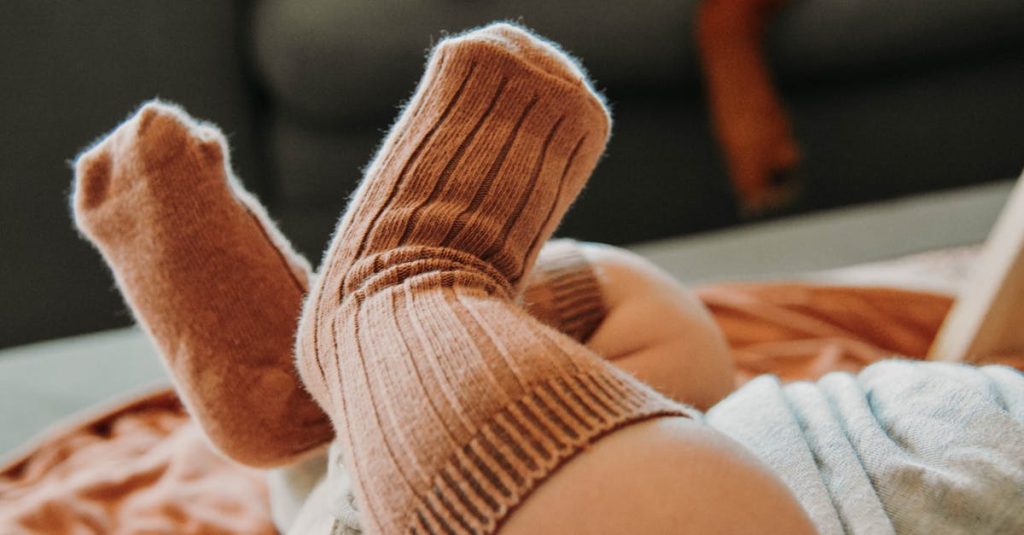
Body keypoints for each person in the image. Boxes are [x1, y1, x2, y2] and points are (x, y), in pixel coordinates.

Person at [72, 22, 1023, 535]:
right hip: (731, 435)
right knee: (659, 319)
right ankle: (321, 416)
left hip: (751, 506)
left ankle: (398, 292)